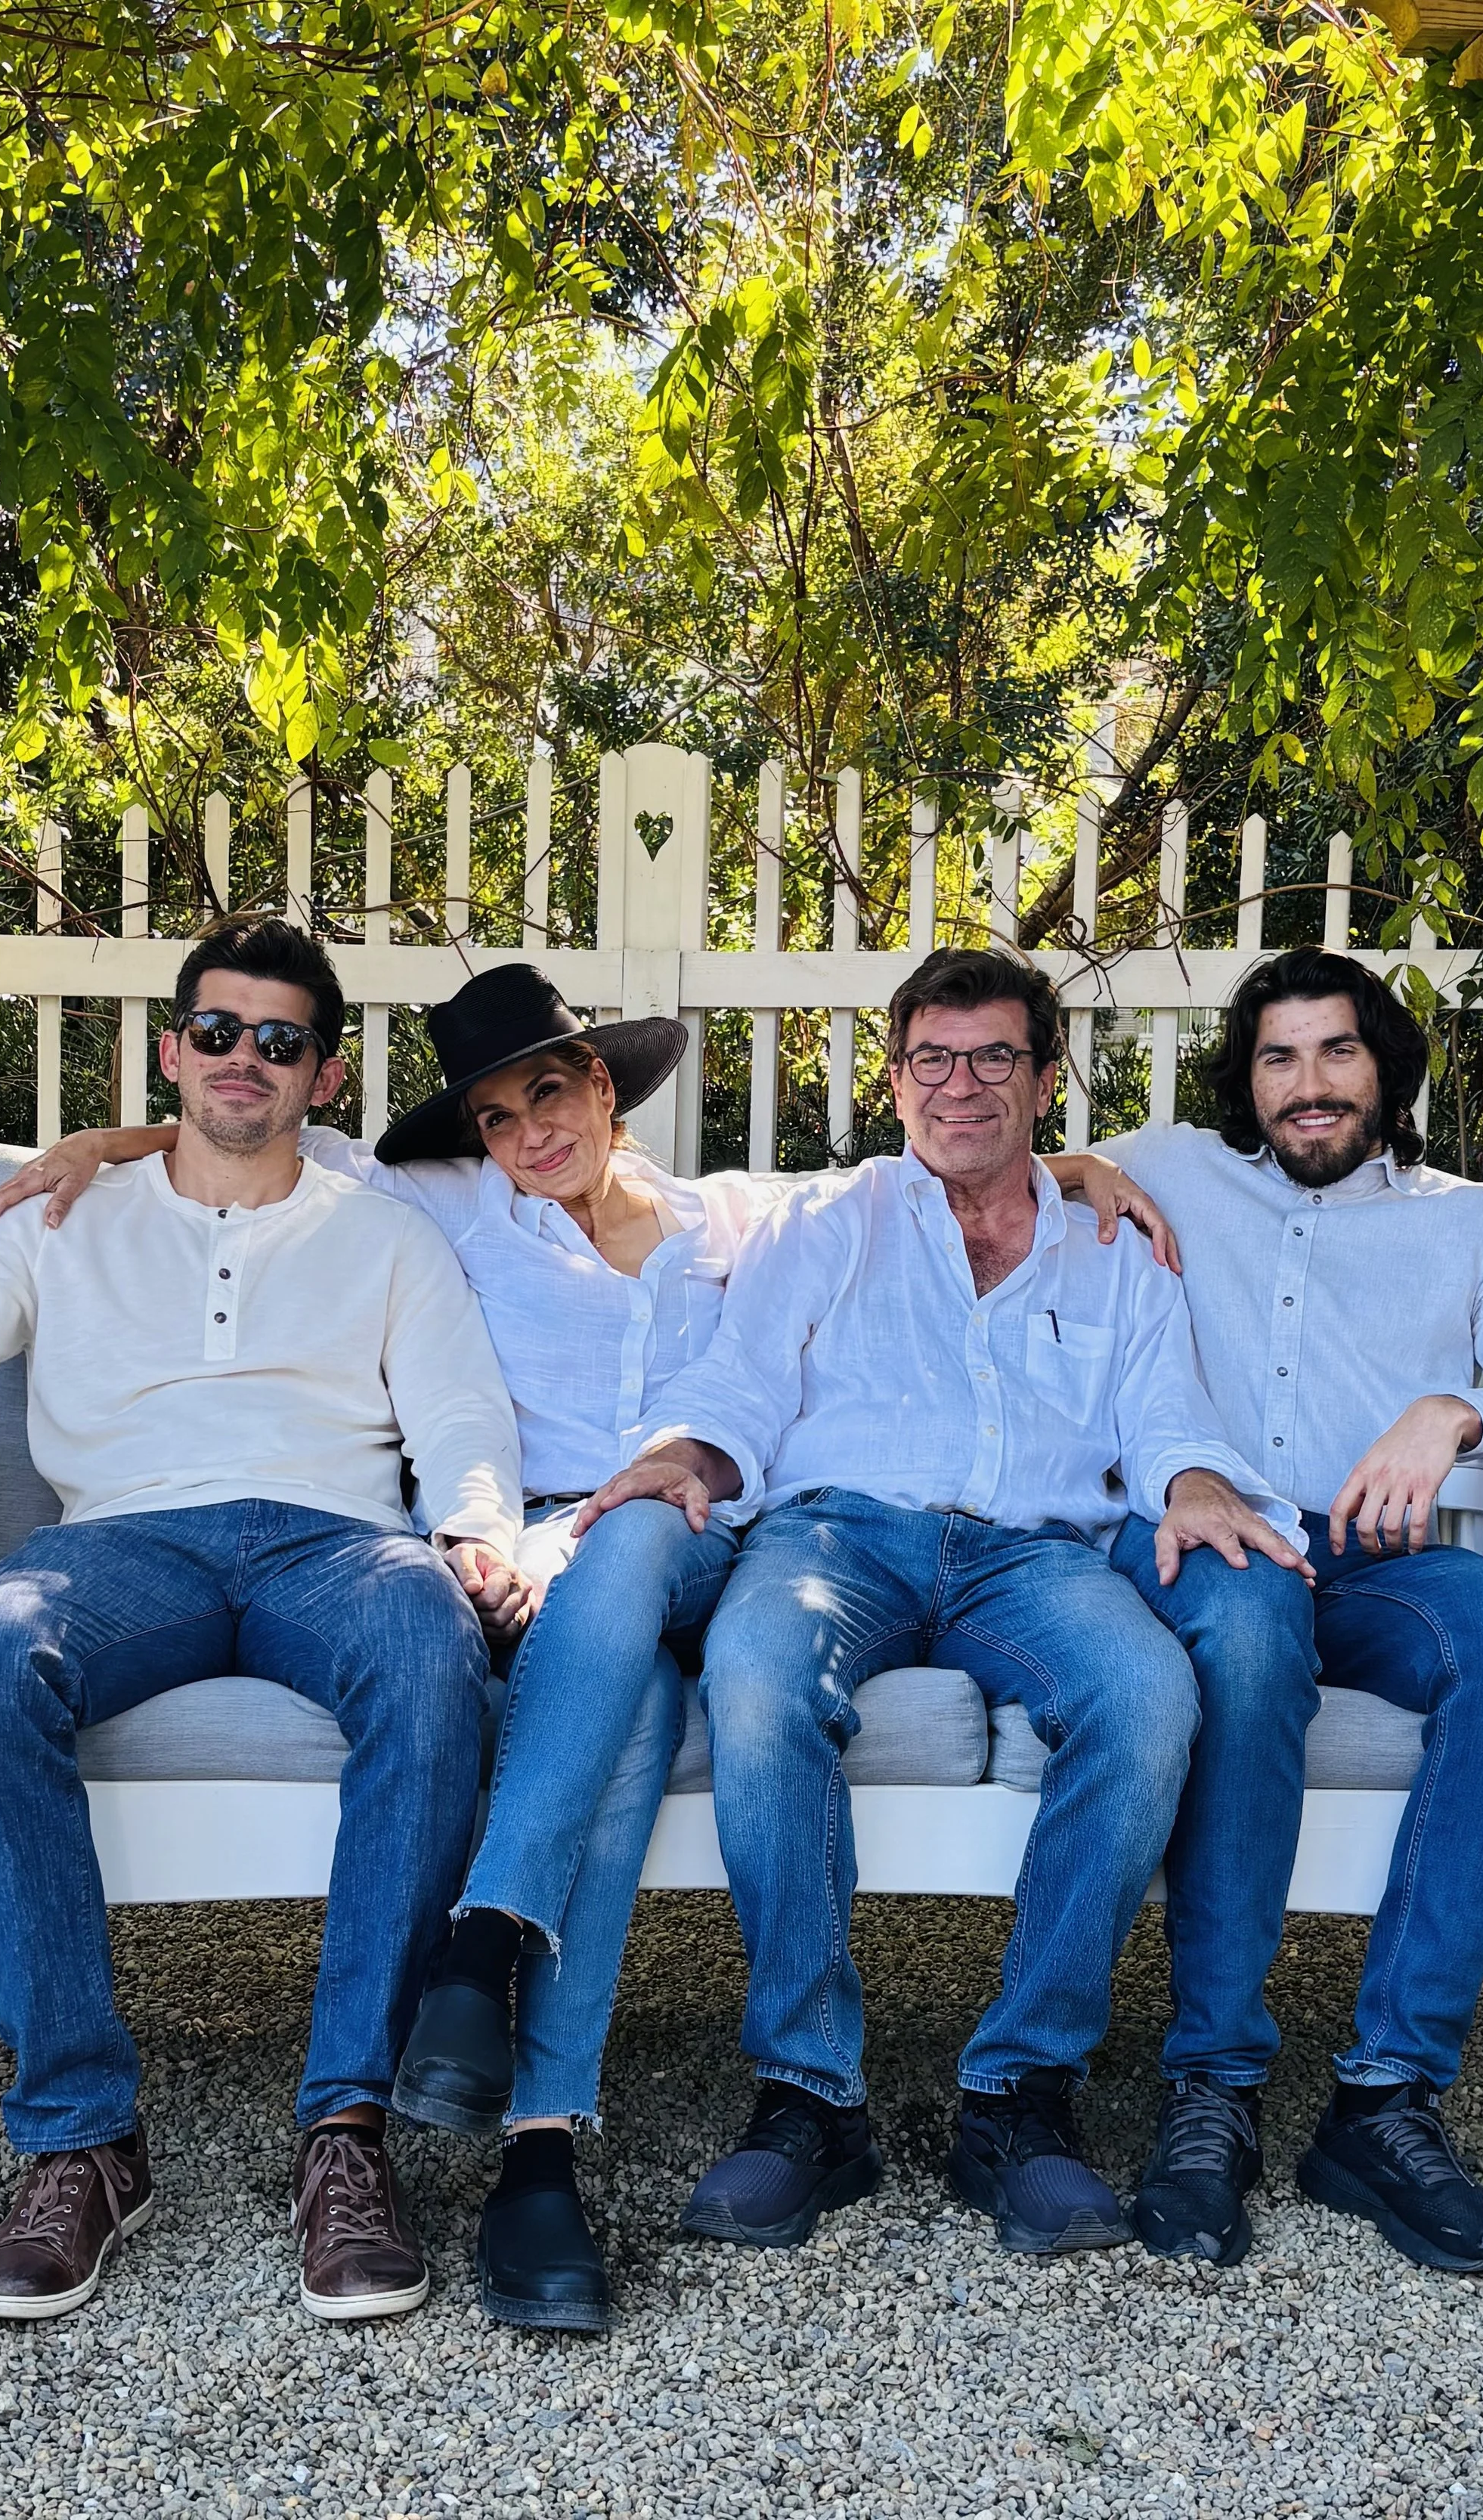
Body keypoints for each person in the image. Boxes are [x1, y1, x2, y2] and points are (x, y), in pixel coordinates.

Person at [0, 958, 1173, 2329]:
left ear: (605, 1085)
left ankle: (483, 1946)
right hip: (531, 1557)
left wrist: (1065, 1163)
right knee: (638, 1725)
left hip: (690, 1528)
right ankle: (539, 2158)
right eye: (496, 1116)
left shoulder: (735, 1218)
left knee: (646, 1537)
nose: (530, 1133)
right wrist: (102, 1143)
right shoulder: (444, 1208)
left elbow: (944, 1167)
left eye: (551, 1092)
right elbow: (258, 1133)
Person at [0, 920, 522, 2323]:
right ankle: (81, 2136)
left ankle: (346, 2133)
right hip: (119, 1544)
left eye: (279, 1041)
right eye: (218, 1032)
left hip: (330, 1540)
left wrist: (476, 1526)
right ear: (171, 1049)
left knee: (428, 1642)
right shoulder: (69, 1214)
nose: (243, 1061)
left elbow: (459, 1412)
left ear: (324, 1076)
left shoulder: (385, 1230)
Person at [575, 946, 1309, 2257]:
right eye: (932, 1058)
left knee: (1147, 1694)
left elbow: (1163, 1413)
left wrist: (1195, 1480)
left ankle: (1020, 2096)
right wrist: (686, 1456)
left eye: (993, 1059)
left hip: (1034, 1552)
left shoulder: (1115, 1245)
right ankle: (810, 2095)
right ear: (896, 1073)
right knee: (755, 1675)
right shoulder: (828, 1222)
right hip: (839, 1535)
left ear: (1043, 1080)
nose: (959, 1086)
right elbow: (744, 1382)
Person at [1092, 946, 1483, 2275]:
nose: (1308, 1084)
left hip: (1383, 1557)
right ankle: (1212, 2082)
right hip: (1210, 1534)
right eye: (1279, 1056)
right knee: (1256, 1623)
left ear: (1387, 1070)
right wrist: (1077, 1170)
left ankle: (1386, 2094)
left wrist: (1456, 1411)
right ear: (1248, 1078)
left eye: (1338, 1051)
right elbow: (986, 1164)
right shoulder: (1170, 1165)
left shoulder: (1478, 1221)